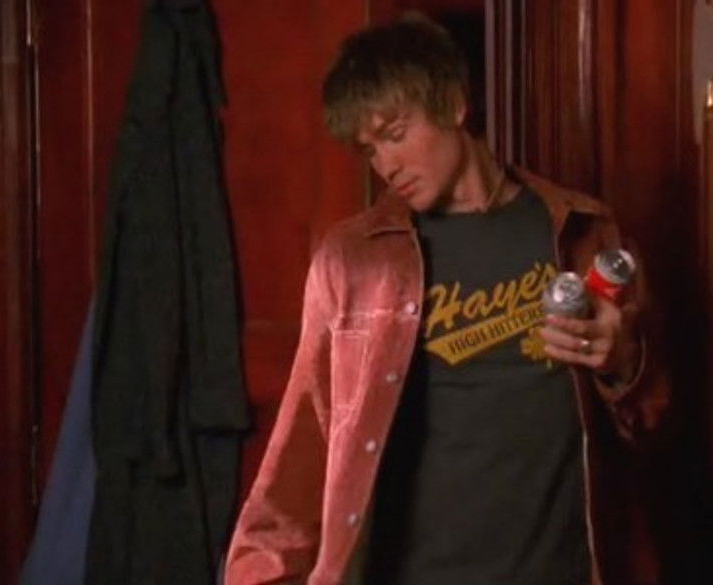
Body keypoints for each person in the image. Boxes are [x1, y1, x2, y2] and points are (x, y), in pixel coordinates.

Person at [225, 13, 669, 585]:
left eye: (395, 134)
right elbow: (303, 444)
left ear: (455, 105)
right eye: (369, 150)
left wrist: (623, 361)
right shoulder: (355, 260)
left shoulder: (583, 231)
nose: (386, 165)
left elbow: (654, 426)